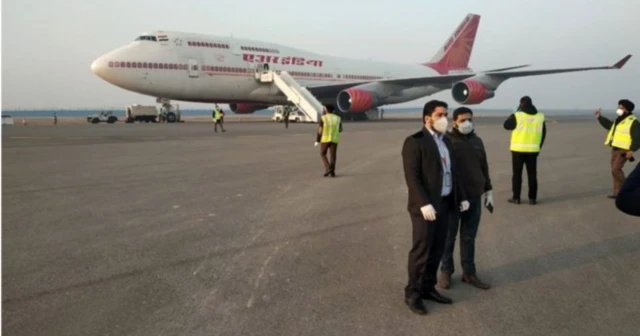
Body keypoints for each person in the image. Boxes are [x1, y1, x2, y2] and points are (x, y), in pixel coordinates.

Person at [401, 99, 469, 315]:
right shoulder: (415, 141)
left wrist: (462, 196)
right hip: (425, 207)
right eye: (440, 115)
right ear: (427, 118)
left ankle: (427, 287)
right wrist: (423, 203)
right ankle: (412, 292)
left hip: (445, 203)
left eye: (445, 115)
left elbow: (452, 172)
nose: (444, 119)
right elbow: (412, 177)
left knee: (438, 248)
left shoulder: (446, 141)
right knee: (421, 250)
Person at [439, 107, 492, 290]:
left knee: (469, 237)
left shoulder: (477, 141)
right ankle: (446, 271)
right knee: (449, 236)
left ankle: (469, 273)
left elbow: (483, 166)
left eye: (469, 119)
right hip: (453, 198)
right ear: (454, 122)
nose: (467, 123)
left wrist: (488, 191)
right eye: (462, 120)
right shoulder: (447, 141)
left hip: (474, 196)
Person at [503, 96, 546, 205]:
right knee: (532, 175)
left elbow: (506, 125)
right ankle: (532, 198)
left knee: (517, 174)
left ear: (521, 104)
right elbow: (543, 133)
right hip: (533, 150)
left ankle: (516, 197)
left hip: (518, 150)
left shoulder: (518, 115)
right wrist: (538, 147)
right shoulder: (540, 117)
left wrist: (515, 113)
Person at [595, 99, 639, 198]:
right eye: (619, 107)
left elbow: (637, 138)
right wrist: (599, 118)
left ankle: (627, 190)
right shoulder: (619, 120)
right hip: (615, 150)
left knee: (616, 170)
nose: (619, 109)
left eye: (621, 108)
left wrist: (632, 150)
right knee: (614, 171)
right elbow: (610, 126)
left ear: (627, 109)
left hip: (624, 150)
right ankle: (618, 193)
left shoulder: (633, 122)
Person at [316, 105, 342, 177]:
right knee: (333, 156)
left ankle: (328, 167)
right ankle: (332, 172)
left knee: (322, 153)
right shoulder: (338, 118)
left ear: (326, 110)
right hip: (334, 139)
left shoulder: (323, 118)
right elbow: (340, 130)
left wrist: (317, 140)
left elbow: (320, 130)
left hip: (325, 139)